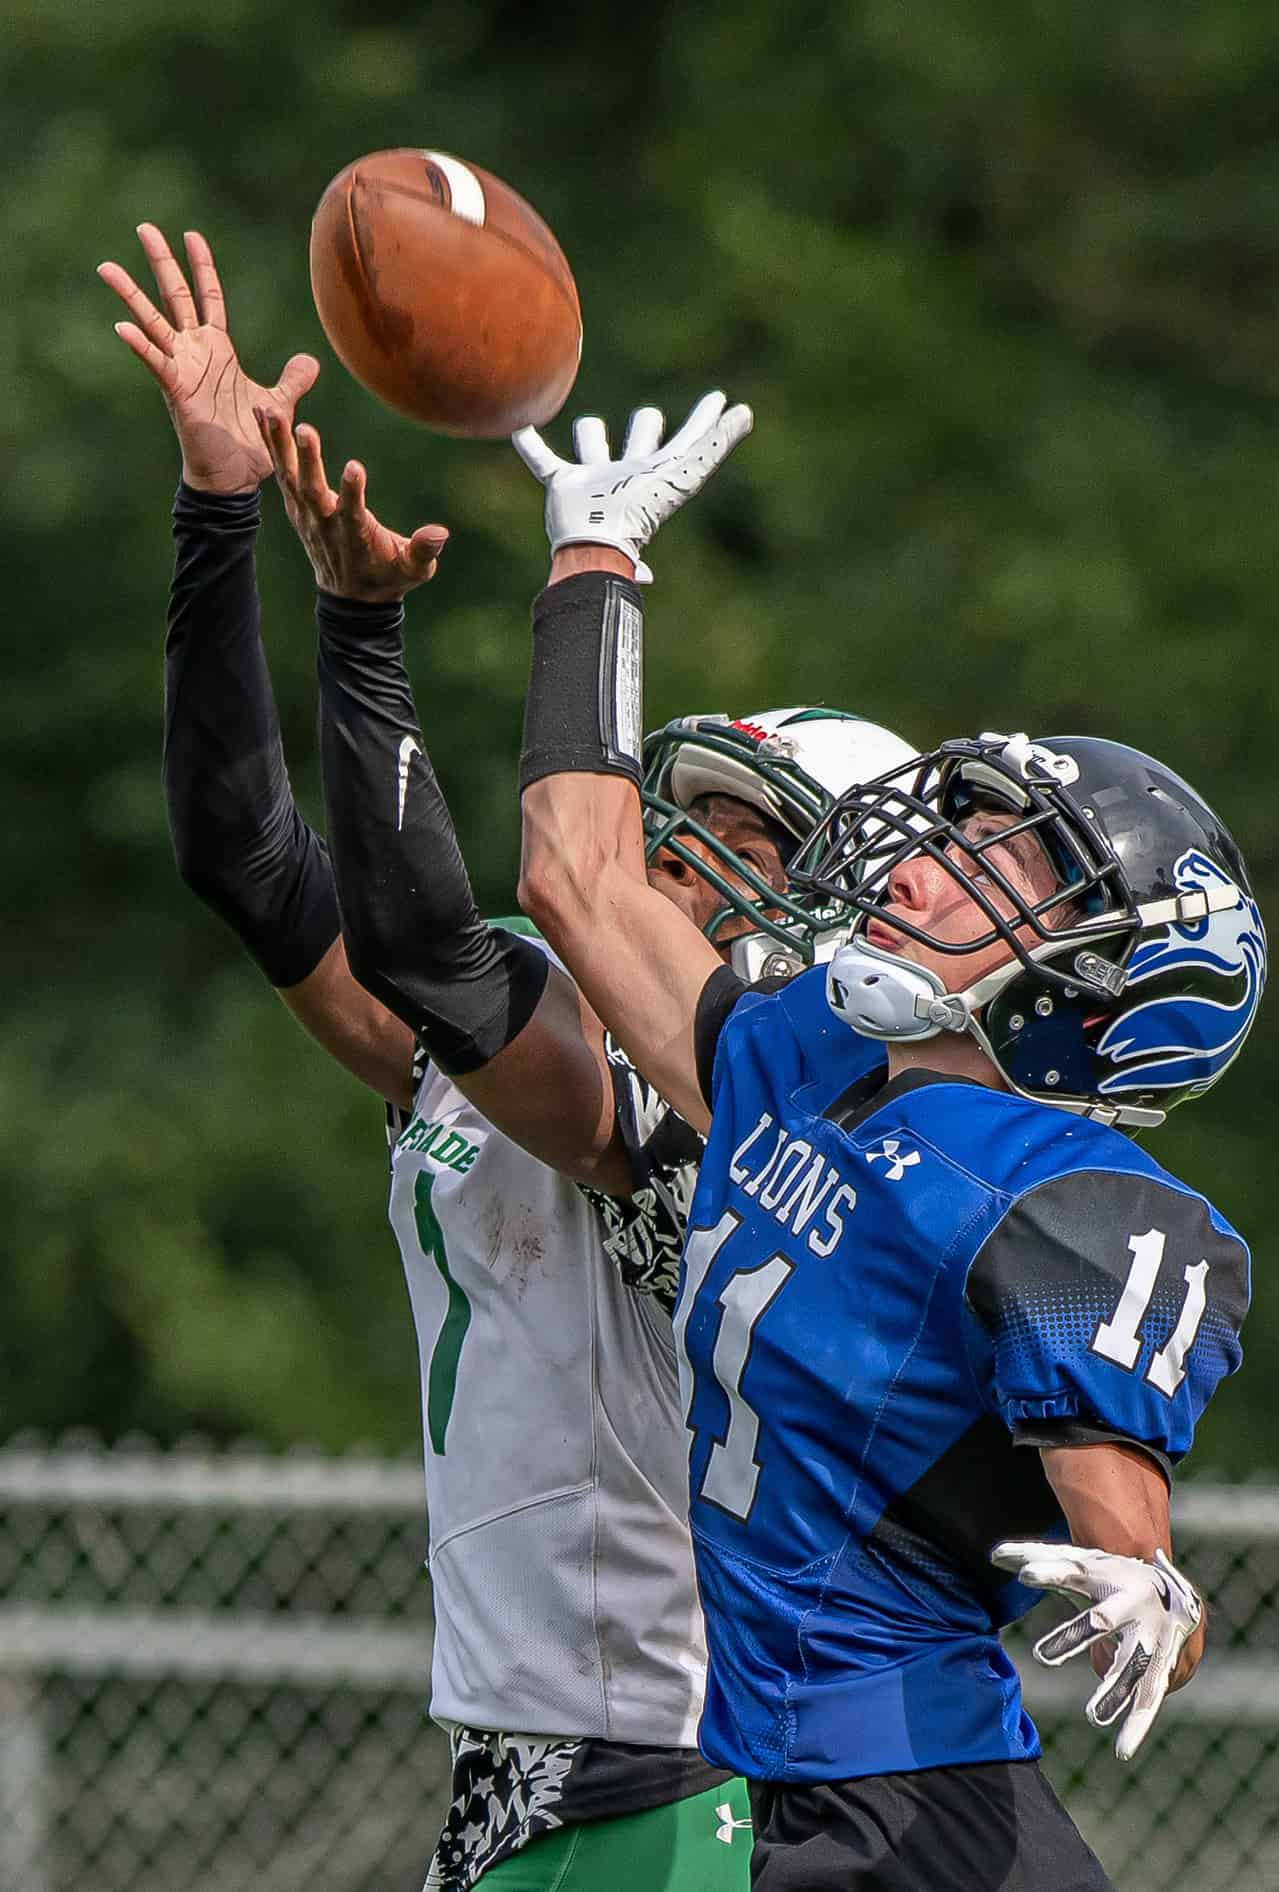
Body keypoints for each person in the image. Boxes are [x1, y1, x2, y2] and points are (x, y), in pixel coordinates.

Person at [97, 225, 914, 1892]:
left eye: (747, 843)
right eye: (684, 825)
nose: (682, 865)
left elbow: (430, 956)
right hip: (523, 1780)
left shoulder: (746, 1113)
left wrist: (368, 628)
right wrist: (218, 508)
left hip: (683, 1783)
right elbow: (248, 858)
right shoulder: (529, 1041)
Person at [513, 402, 1263, 1890]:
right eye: (961, 824)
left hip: (923, 1818)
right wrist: (592, 563)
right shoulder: (797, 1060)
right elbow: (575, 874)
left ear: (1087, 983)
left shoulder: (1061, 1193)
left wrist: (1147, 1589)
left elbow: (1117, 1507)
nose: (929, 856)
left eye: (1003, 859)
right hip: (806, 1801)